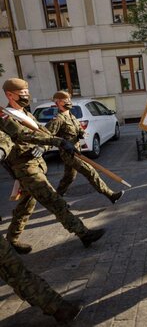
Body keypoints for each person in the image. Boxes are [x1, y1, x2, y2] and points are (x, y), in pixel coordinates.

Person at [1, 78, 105, 254]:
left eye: (27, 93)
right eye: (22, 94)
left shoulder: (26, 114)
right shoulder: (6, 116)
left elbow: (42, 134)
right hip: (25, 167)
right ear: (9, 95)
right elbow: (24, 134)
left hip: (36, 164)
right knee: (54, 201)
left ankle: (11, 238)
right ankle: (83, 233)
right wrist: (58, 141)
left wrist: (47, 144)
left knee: (26, 205)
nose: (26, 97)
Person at [0, 131, 82, 324]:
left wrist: (55, 142)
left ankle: (57, 308)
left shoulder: (10, 119)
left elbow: (14, 138)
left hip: (33, 171)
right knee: (12, 267)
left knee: (12, 266)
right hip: (28, 174)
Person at [46, 91, 124, 203]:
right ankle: (110, 195)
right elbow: (47, 136)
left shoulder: (71, 116)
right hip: (69, 154)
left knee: (69, 177)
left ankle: (56, 199)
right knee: (90, 171)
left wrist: (82, 133)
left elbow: (77, 129)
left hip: (77, 150)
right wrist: (61, 142)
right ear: (58, 102)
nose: (68, 102)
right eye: (65, 100)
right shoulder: (58, 119)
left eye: (69, 99)